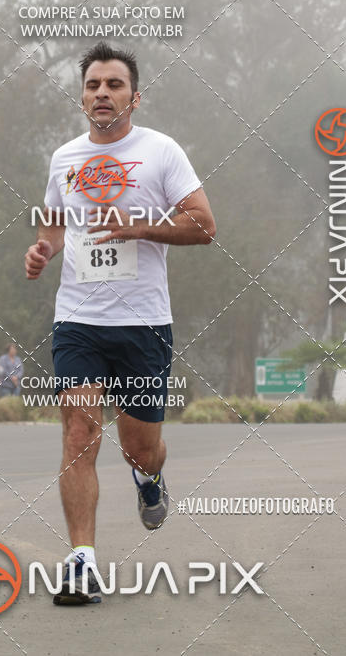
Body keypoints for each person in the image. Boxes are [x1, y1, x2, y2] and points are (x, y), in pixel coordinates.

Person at [24, 40, 216, 605]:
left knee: (139, 447)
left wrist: (142, 225)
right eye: (92, 85)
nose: (102, 94)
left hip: (144, 325)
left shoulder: (161, 152)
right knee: (79, 433)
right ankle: (81, 563)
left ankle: (149, 477)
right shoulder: (64, 159)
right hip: (78, 320)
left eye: (114, 85)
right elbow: (55, 225)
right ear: (82, 96)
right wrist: (42, 250)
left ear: (135, 95)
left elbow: (204, 225)